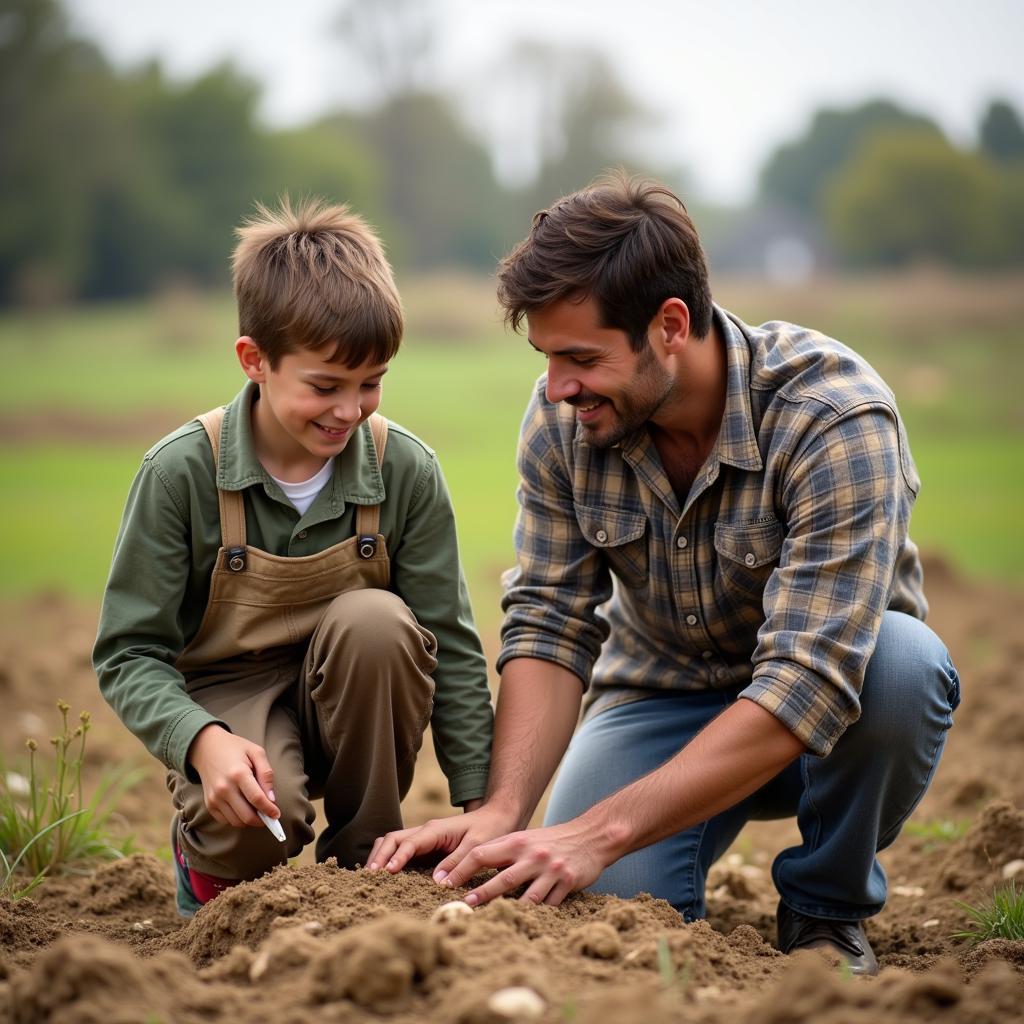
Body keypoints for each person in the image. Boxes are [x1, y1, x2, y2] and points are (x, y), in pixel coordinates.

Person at [367, 173, 960, 975]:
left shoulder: (834, 417)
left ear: (671, 325)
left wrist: (596, 829)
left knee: (903, 665)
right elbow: (550, 620)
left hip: (830, 717)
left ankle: (826, 911)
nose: (556, 388)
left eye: (581, 357)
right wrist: (506, 812)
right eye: (546, 357)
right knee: (604, 906)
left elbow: (809, 682)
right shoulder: (563, 421)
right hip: (660, 697)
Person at [93, 197, 493, 918]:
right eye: (325, 386)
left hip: (352, 692)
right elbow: (129, 653)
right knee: (252, 829)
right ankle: (214, 875)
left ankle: (365, 866)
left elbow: (455, 646)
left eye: (372, 382)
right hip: (227, 700)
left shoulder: (404, 469)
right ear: (256, 361)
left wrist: (482, 808)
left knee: (380, 624)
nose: (351, 409)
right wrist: (201, 741)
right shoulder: (180, 473)